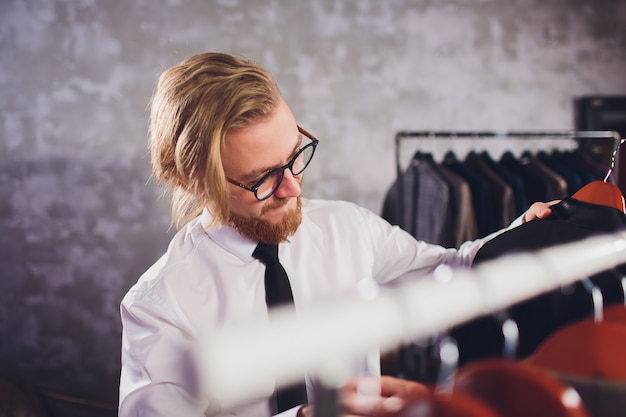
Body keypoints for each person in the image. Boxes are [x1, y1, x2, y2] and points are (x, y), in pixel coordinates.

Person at [118, 52, 555, 417]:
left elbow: (449, 270)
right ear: (194, 181)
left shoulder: (349, 227)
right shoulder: (159, 307)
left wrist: (519, 234)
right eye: (261, 179)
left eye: (294, 157)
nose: (292, 188)